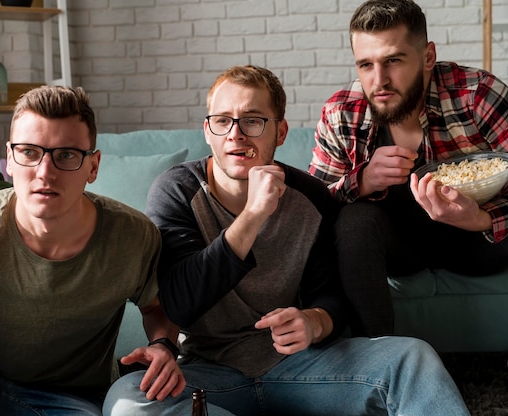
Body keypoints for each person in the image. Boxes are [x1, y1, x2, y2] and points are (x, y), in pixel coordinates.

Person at [102, 65, 471, 415]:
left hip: (300, 368)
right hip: (208, 373)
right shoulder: (177, 191)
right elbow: (180, 303)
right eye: (222, 121)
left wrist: (314, 321)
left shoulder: (310, 196)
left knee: (412, 357)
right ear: (207, 130)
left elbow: (331, 297)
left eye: (252, 120)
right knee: (127, 399)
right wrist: (253, 215)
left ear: (280, 132)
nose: (235, 134)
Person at [308, 0, 508, 389]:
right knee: (355, 219)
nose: (379, 79)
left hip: (478, 237)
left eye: (394, 60)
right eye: (366, 64)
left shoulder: (475, 94)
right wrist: (360, 182)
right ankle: (375, 377)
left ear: (428, 55)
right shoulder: (342, 112)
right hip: (398, 249)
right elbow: (308, 210)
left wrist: (486, 219)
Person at [0, 85, 185, 415]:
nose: (45, 173)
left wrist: (163, 346)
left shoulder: (132, 237)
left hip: (74, 399)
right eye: (30, 153)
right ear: (10, 159)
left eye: (66, 155)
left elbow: (156, 308)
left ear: (93, 166)